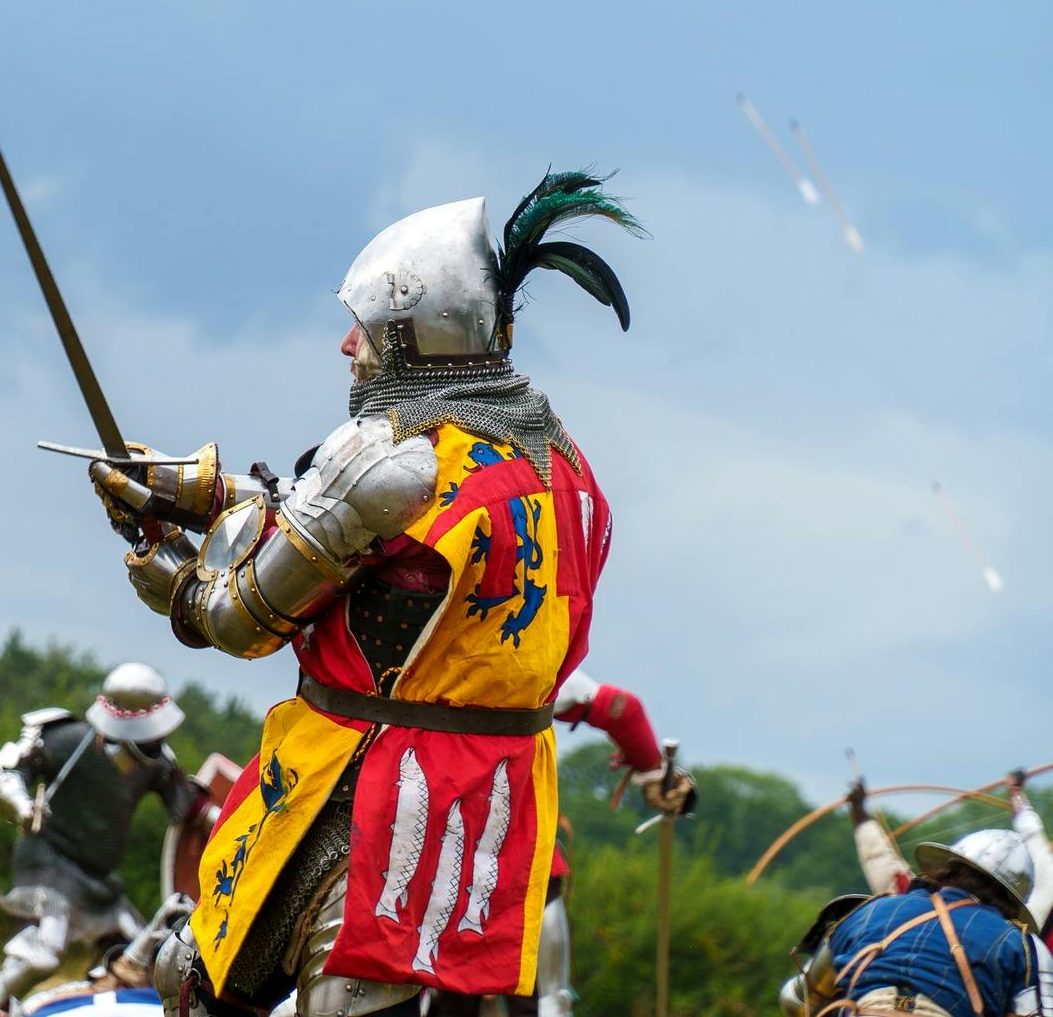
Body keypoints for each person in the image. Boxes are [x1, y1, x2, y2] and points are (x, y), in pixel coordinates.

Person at [89, 173, 643, 1016]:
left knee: (204, 984)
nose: (348, 348)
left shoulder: (400, 461)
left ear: (415, 337)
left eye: (365, 330)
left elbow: (240, 620)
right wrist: (191, 491)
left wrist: (167, 572)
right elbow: (346, 529)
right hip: (488, 802)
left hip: (377, 801)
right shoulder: (555, 462)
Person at [422, 668, 696, 1017]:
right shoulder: (527, 653)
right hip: (521, 865)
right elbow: (620, 709)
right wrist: (654, 771)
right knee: (545, 1003)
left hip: (433, 866)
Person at [0, 662, 206, 1015]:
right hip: (49, 861)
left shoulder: (156, 763)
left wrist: (214, 814)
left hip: (99, 880)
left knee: (142, 959)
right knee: (42, 955)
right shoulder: (66, 739)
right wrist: (21, 805)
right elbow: (2, 766)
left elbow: (186, 807)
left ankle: (94, 1003)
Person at [781, 830, 1052, 1017]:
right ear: (1009, 900)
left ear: (948, 869)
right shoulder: (1022, 945)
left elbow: (796, 1000)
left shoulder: (870, 910)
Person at [847, 772, 1053, 929]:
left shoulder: (906, 910)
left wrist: (1017, 793)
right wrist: (1017, 794)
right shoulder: (1010, 946)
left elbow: (1031, 831)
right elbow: (1031, 832)